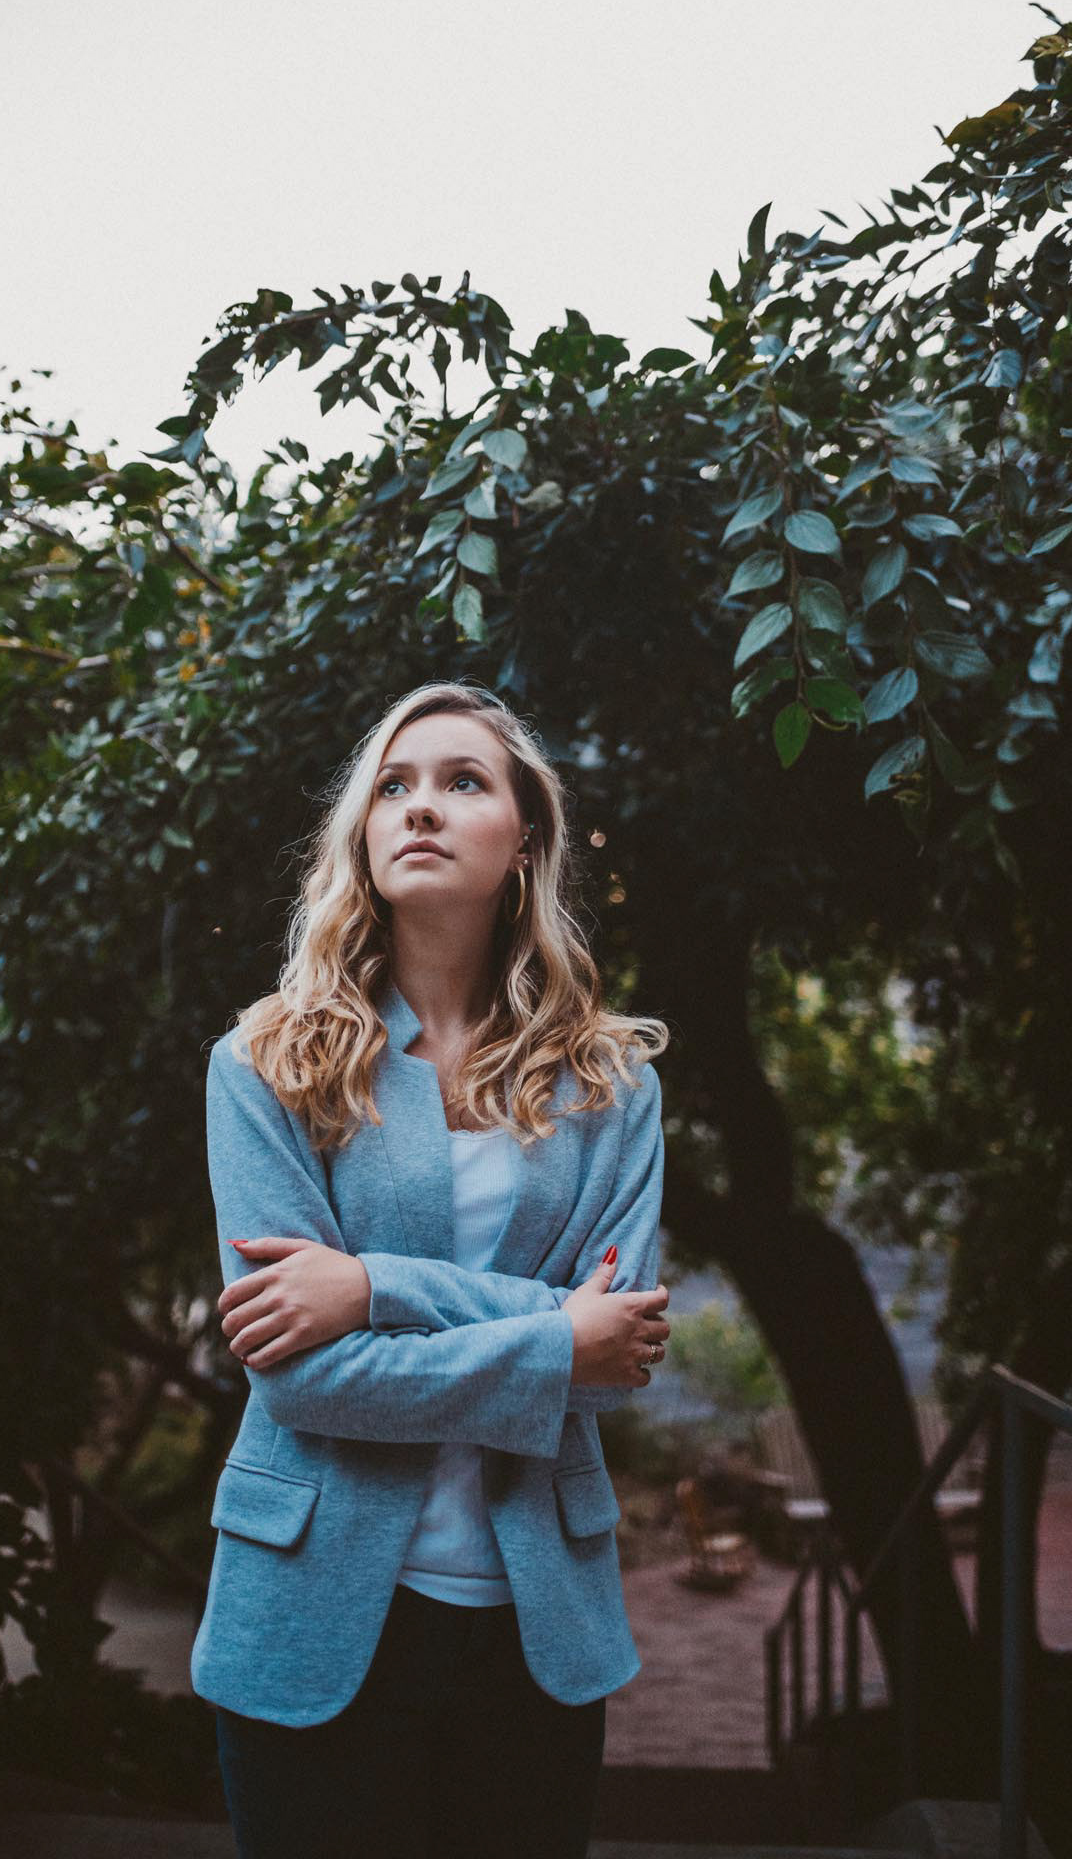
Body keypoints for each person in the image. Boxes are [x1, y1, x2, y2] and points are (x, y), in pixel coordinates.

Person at [190, 680, 671, 1859]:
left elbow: (616, 1361)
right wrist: (553, 1333)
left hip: (534, 1625)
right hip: (310, 1608)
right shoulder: (265, 1063)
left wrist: (371, 1289)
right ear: (361, 833)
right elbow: (300, 1377)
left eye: (463, 781)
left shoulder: (613, 1085)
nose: (420, 806)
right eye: (393, 786)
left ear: (525, 840)